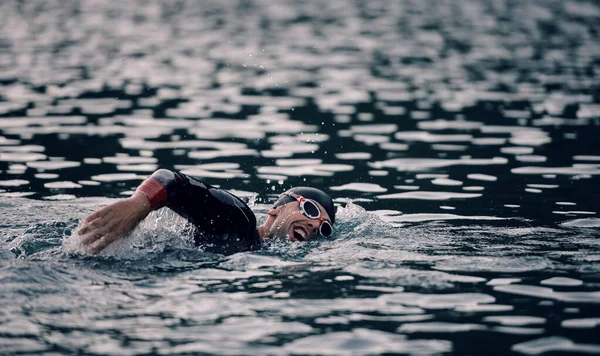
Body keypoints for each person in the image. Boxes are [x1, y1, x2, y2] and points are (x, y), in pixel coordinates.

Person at [78, 169, 335, 254]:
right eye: (310, 210)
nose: (315, 226)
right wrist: (138, 204)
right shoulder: (238, 219)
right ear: (275, 211)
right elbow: (173, 180)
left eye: (324, 228)